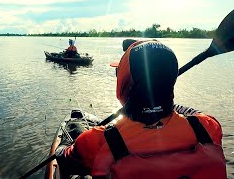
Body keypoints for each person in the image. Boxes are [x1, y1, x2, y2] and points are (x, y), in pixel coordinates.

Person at [55, 39, 227, 178]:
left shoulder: (98, 140)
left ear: (123, 82)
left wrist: (62, 147)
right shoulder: (207, 127)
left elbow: (64, 159)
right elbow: (187, 111)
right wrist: (160, 93)